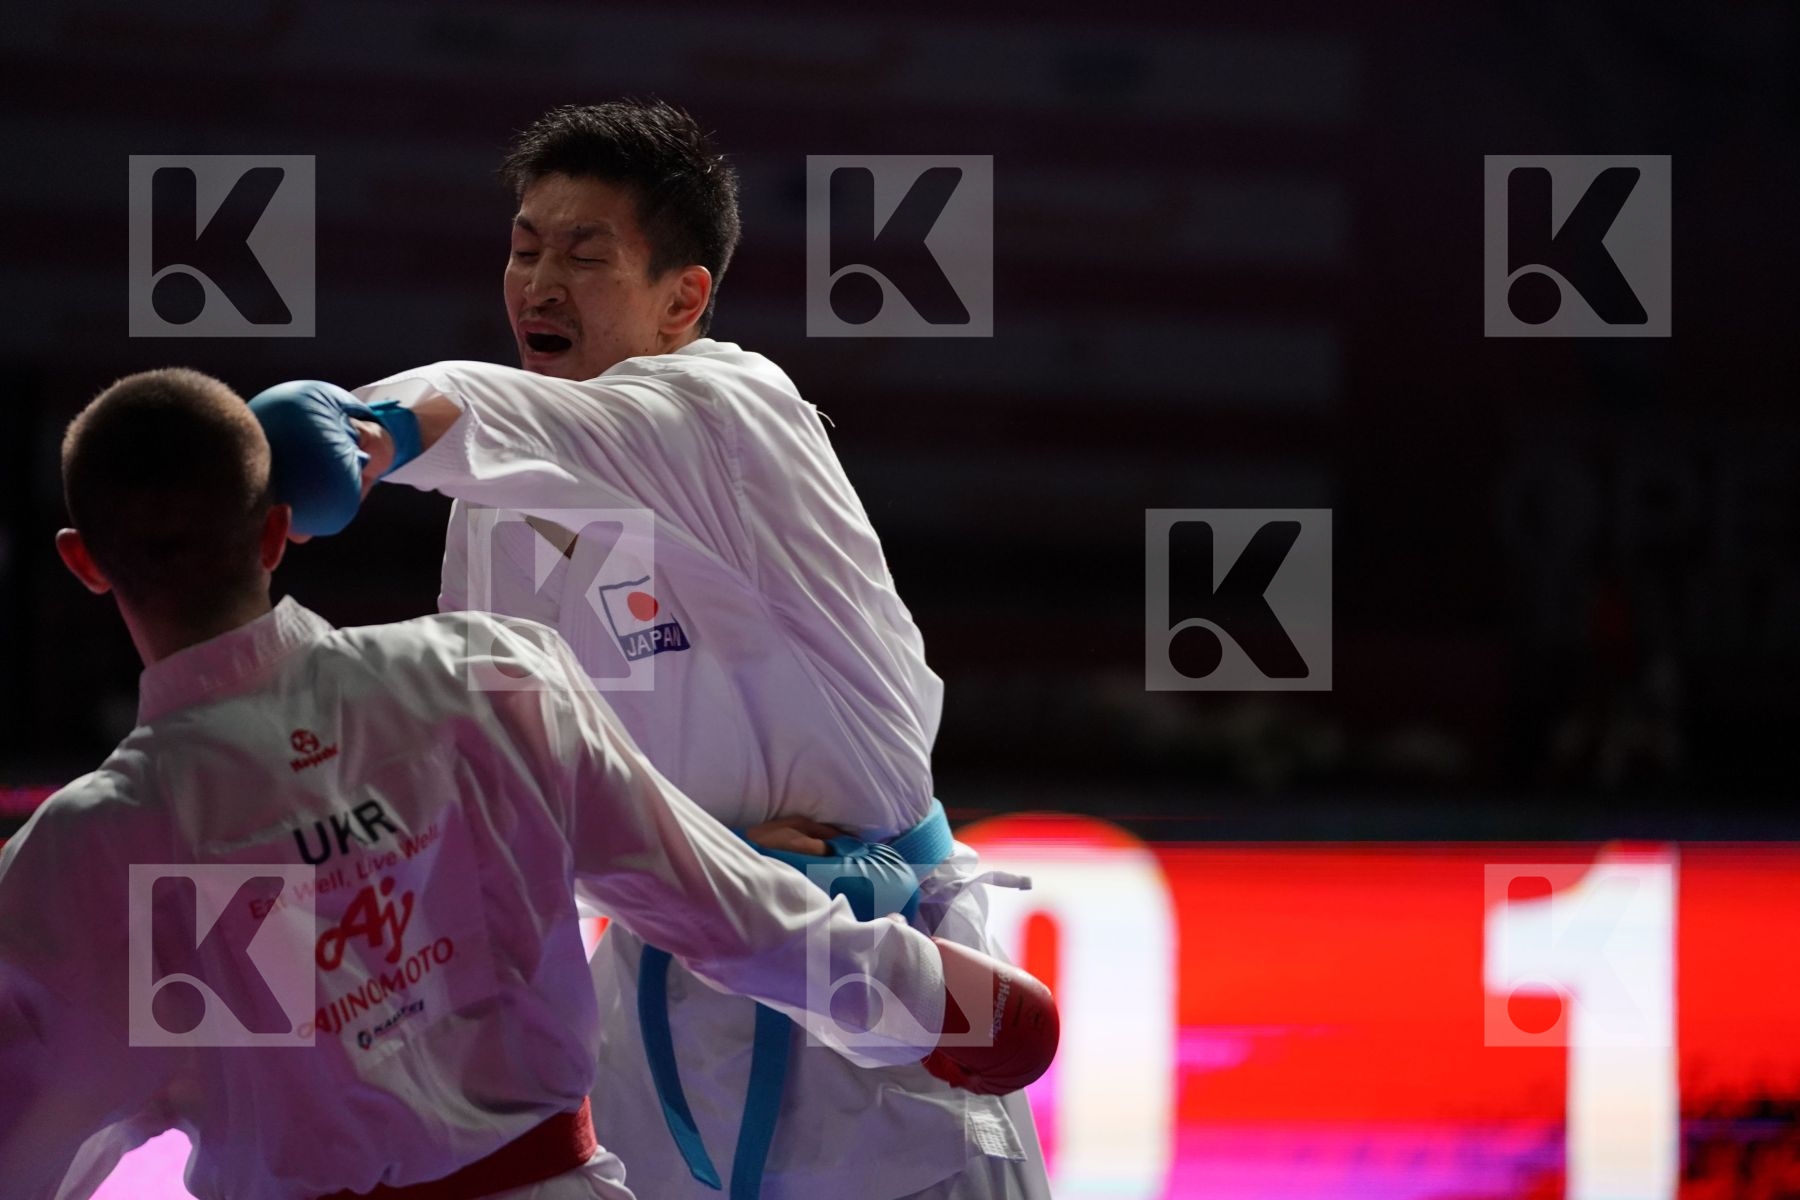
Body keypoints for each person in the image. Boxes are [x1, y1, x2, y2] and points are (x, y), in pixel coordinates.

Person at [248, 99, 1053, 1200]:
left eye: (585, 255)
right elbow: (497, 776)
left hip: (873, 987)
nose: (538, 283)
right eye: (525, 248)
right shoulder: (491, 507)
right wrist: (698, 858)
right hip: (659, 998)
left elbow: (484, 405)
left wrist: (372, 426)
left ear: (685, 299)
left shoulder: (734, 411)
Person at [0, 369, 1055, 1200]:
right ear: (278, 530)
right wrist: (938, 1001)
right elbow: (718, 905)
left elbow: (38, 1132)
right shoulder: (480, 678)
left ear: (85, 561)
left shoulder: (87, 852)